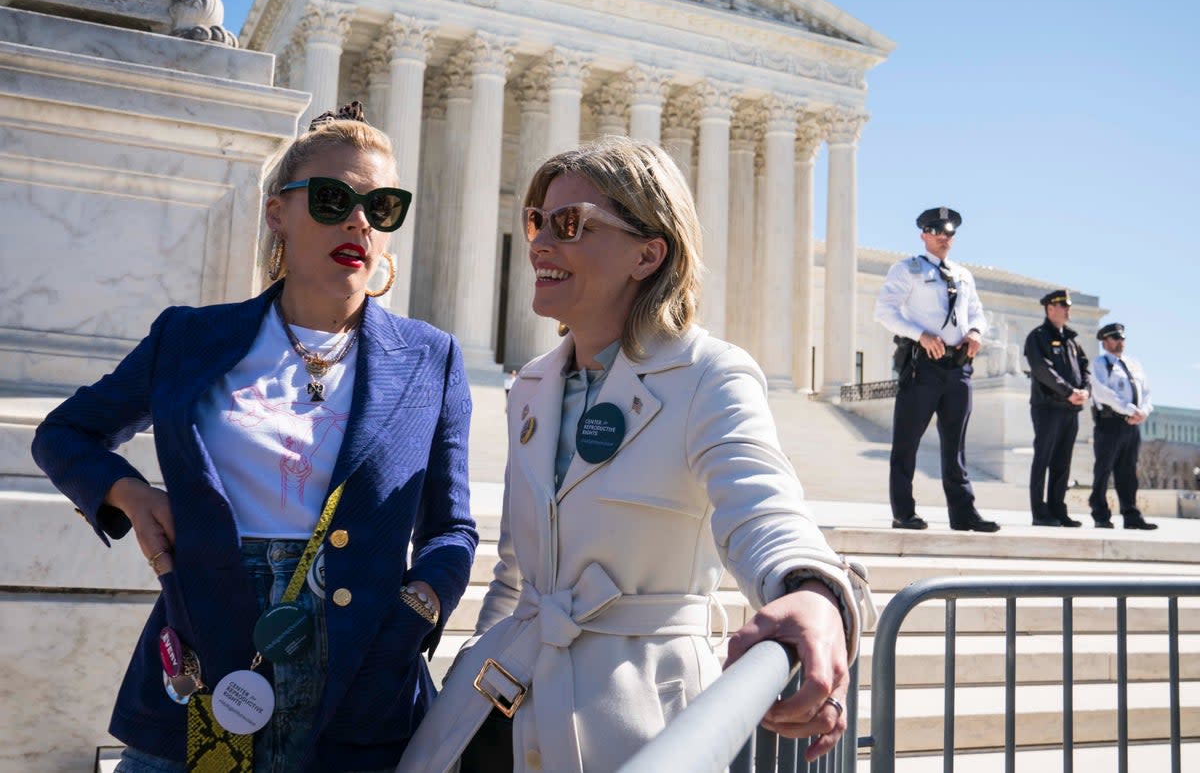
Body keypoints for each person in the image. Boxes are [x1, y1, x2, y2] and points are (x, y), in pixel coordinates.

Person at [31, 102, 478, 773]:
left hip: (364, 686)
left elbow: (451, 528)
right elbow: (64, 433)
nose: (358, 219)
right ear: (278, 212)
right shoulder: (191, 338)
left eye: (381, 206)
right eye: (332, 199)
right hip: (205, 677)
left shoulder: (431, 358)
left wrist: (416, 611)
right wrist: (128, 492)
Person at [398, 138, 870, 773]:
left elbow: (763, 512)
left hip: (636, 720)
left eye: (570, 225)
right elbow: (515, 576)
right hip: (496, 713)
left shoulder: (710, 375)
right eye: (537, 221)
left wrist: (812, 591)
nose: (540, 244)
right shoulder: (532, 386)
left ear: (648, 254)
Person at [873, 207, 999, 532]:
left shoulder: (963, 274)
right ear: (924, 235)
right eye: (938, 233)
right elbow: (884, 312)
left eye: (949, 234)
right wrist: (920, 335)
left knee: (955, 445)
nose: (944, 239)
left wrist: (975, 333)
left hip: (958, 368)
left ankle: (964, 514)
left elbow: (977, 313)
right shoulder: (907, 270)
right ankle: (904, 512)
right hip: (922, 366)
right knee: (906, 442)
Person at [1023, 289, 1090, 526]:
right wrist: (1069, 392)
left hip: (1070, 410)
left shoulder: (1072, 340)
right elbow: (1042, 370)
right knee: (1044, 459)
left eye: (1068, 306)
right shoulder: (1037, 337)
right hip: (1048, 408)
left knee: (1062, 462)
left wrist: (1085, 390)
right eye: (1063, 306)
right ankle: (1040, 513)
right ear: (1050, 309)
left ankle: (1057, 509)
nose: (1068, 310)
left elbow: (1084, 368)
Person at [1089, 322, 1157, 530]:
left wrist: (1143, 411)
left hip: (1131, 425)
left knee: (1128, 471)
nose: (1120, 342)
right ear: (1105, 342)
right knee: (1104, 469)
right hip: (1109, 422)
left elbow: (1146, 392)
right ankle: (1100, 514)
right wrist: (1130, 409)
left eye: (1122, 338)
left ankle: (1131, 514)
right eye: (1115, 338)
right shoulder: (1099, 364)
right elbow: (1102, 392)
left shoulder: (1134, 364)